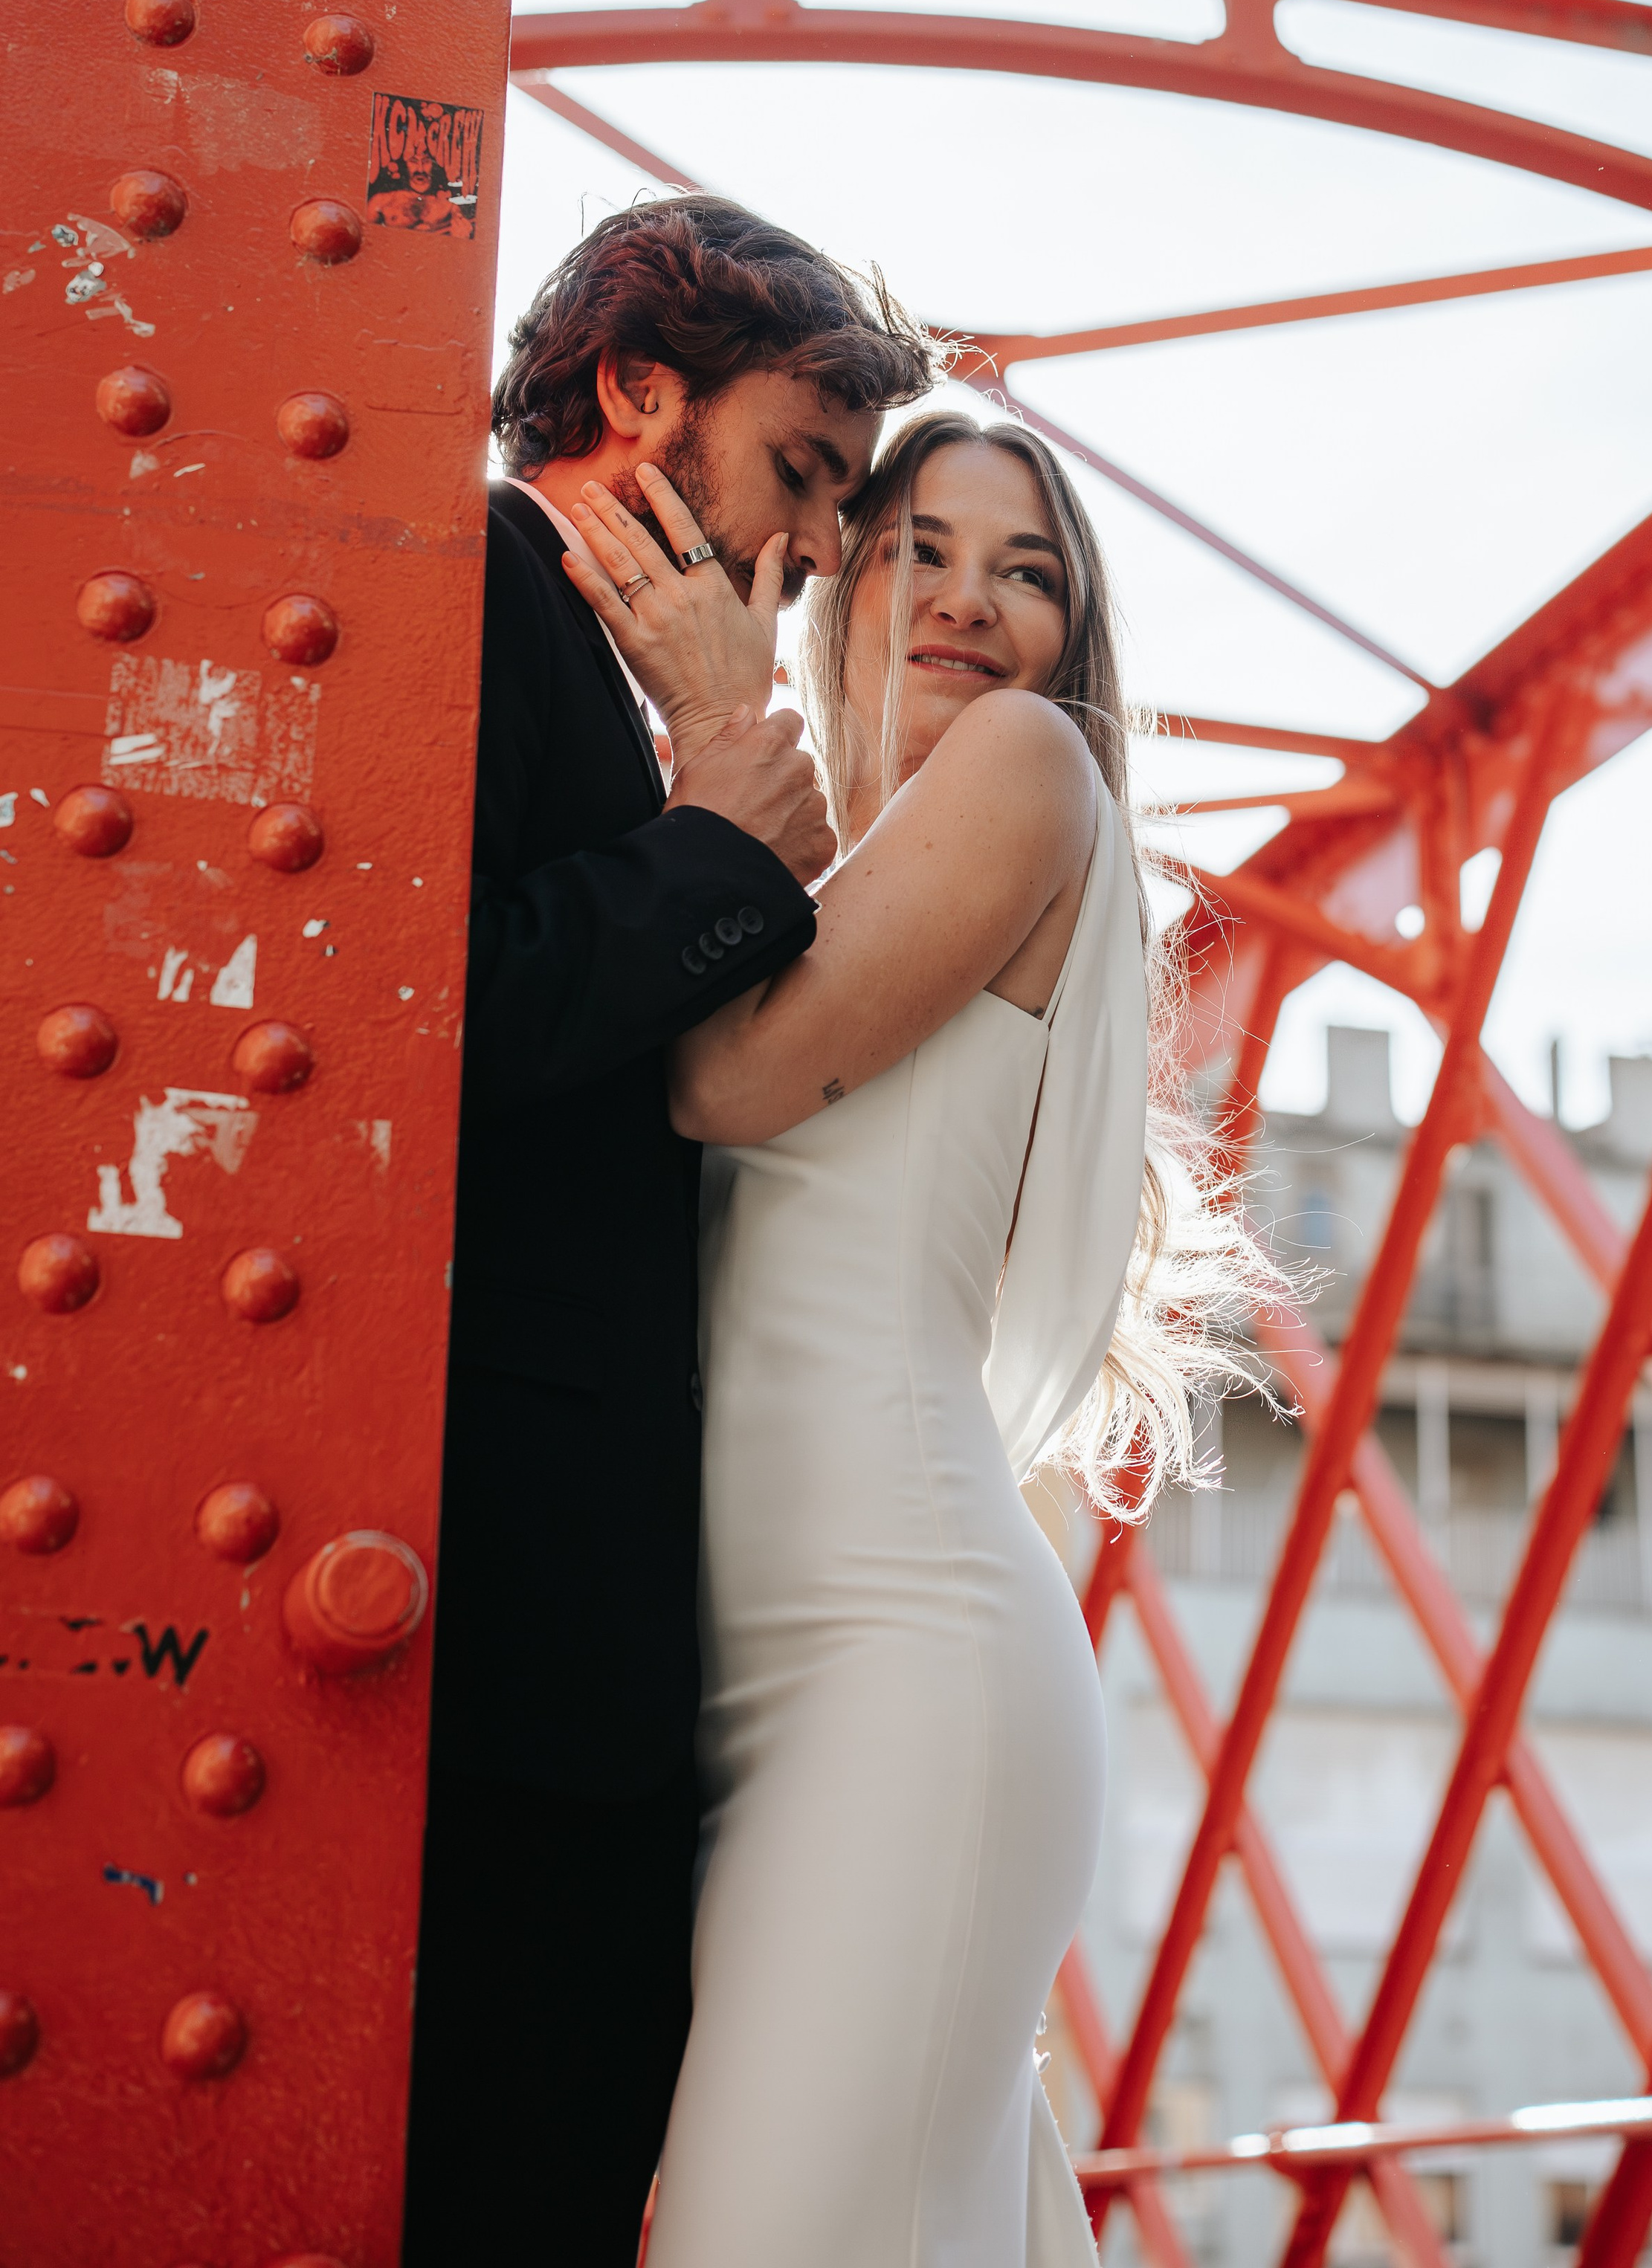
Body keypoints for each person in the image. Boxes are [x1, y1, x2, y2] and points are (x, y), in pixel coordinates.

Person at [565, 407, 1270, 2266]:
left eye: (1024, 572)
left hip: (900, 1660)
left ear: (1069, 635)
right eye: (919, 550)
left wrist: (719, 743)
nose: (968, 602)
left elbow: (722, 1081)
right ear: (848, 586)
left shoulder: (1030, 770)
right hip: (732, 1699)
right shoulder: (810, 883)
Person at [401, 196, 936, 2264]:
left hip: (556, 1622)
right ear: (640, 391)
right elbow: (409, 1021)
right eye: (801, 469)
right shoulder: (464, 587)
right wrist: (721, 843)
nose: (814, 553)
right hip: (503, 1615)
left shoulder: (581, 663)